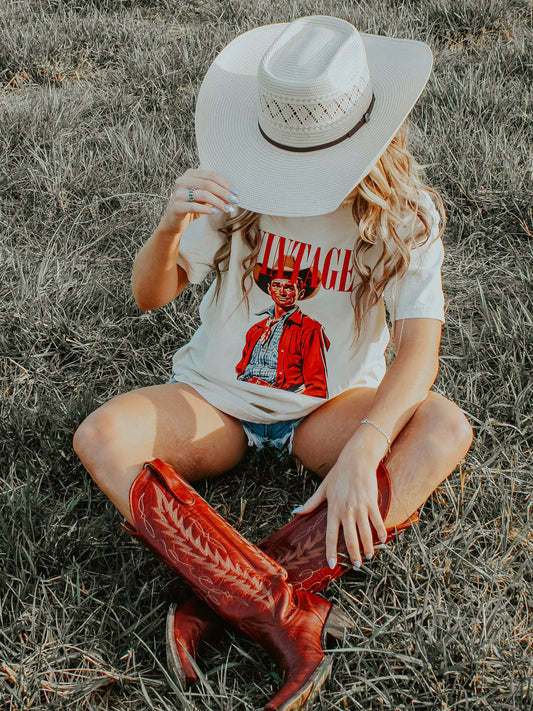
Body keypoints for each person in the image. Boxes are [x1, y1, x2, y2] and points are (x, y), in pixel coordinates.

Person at [73, 15, 473, 711]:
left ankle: (212, 602)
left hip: (327, 412)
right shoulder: (239, 181)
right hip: (215, 405)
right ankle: (280, 609)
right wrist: (169, 228)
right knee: (101, 436)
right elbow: (149, 295)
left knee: (443, 428)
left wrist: (364, 448)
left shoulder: (406, 214)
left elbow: (418, 350)